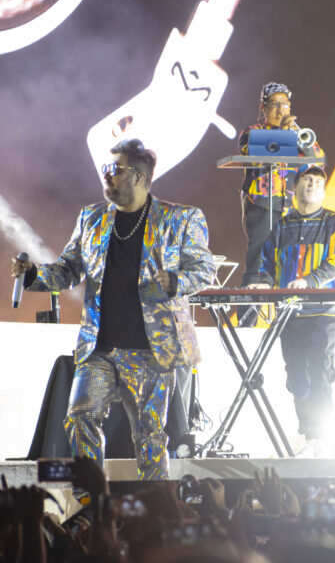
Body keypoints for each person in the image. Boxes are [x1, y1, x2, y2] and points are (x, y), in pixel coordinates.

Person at [11, 139, 214, 481]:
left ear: (139, 177)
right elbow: (67, 269)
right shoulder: (92, 219)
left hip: (151, 349)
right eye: (105, 169)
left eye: (114, 169)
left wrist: (176, 281)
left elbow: (205, 268)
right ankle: (91, 502)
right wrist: (33, 275)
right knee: (79, 417)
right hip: (99, 347)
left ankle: (157, 514)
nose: (106, 175)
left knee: (149, 437)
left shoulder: (180, 219)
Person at [251, 163, 335, 450]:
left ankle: (321, 436)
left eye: (318, 181)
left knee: (320, 371)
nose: (312, 184)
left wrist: (308, 281)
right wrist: (265, 284)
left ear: (324, 190)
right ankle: (309, 432)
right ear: (294, 188)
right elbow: (267, 263)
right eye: (307, 179)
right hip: (289, 314)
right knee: (295, 375)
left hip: (321, 312)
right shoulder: (281, 226)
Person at [238, 82, 324, 287]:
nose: (280, 110)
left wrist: (301, 140)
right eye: (275, 104)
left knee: (289, 263)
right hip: (262, 206)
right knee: (258, 262)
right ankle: (246, 318)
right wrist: (284, 136)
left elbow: (318, 159)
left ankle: (284, 317)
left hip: (290, 208)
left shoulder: (296, 134)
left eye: (284, 104)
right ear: (263, 108)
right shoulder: (252, 132)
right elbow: (254, 152)